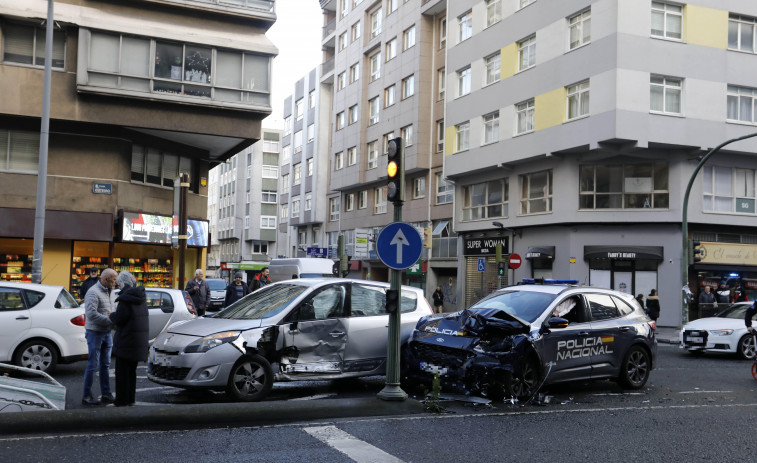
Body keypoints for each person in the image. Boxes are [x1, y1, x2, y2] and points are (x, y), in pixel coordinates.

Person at [109, 271, 148, 407]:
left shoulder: (126, 299)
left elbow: (120, 319)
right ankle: (130, 399)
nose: (118, 286)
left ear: (123, 283)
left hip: (126, 341)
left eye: (118, 283)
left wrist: (111, 315)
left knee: (122, 373)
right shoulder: (140, 297)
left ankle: (121, 401)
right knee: (131, 372)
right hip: (137, 341)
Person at [82, 268, 117, 405]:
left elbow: (111, 310)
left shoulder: (111, 291)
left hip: (107, 332)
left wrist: (113, 318)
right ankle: (86, 395)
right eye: (114, 279)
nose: (115, 282)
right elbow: (91, 314)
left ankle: (106, 394)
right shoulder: (93, 292)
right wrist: (111, 320)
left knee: (106, 365)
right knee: (93, 365)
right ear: (106, 279)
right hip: (94, 332)